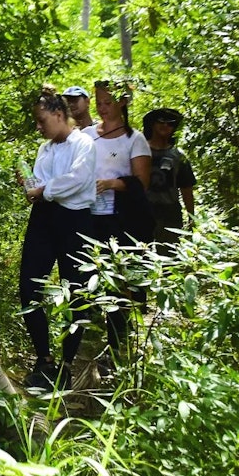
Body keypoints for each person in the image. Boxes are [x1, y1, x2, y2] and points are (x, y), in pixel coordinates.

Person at [17, 86, 97, 392]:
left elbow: (78, 181)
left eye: (41, 120)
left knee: (76, 291)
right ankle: (44, 359)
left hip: (75, 222)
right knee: (29, 286)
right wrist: (30, 187)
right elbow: (40, 185)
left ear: (59, 114)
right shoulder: (45, 150)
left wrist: (44, 190)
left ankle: (67, 363)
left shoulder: (84, 144)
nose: (38, 127)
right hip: (44, 220)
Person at [83, 80, 154, 360]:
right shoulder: (88, 134)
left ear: (123, 103)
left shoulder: (134, 140)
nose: (102, 108)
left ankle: (117, 344)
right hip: (89, 215)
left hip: (121, 219)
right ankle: (88, 341)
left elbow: (142, 182)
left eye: (108, 103)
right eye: (99, 102)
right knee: (89, 277)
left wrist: (112, 183)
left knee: (120, 280)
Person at [143, 108, 196, 247]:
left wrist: (192, 219)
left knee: (169, 261)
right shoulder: (139, 150)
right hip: (142, 212)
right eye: (161, 121)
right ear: (153, 124)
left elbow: (186, 189)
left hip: (169, 215)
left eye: (170, 123)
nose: (165, 126)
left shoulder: (178, 156)